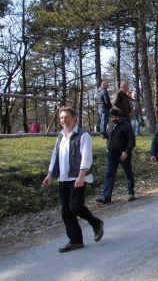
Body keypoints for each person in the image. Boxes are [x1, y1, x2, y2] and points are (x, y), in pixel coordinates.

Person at [42, 106, 103, 253]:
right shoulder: (61, 136)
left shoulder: (83, 135)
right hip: (63, 178)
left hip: (78, 177)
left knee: (75, 206)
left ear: (74, 118)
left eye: (67, 117)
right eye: (62, 118)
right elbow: (55, 156)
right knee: (65, 211)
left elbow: (86, 158)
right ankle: (76, 240)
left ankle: (96, 223)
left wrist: (81, 176)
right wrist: (50, 174)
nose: (64, 120)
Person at [96, 109, 136, 204]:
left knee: (128, 173)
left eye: (115, 117)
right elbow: (108, 139)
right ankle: (106, 197)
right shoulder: (110, 127)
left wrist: (126, 152)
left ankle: (131, 193)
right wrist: (107, 148)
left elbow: (132, 141)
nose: (114, 119)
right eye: (112, 117)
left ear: (119, 116)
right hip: (111, 155)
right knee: (109, 174)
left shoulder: (126, 126)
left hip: (123, 155)